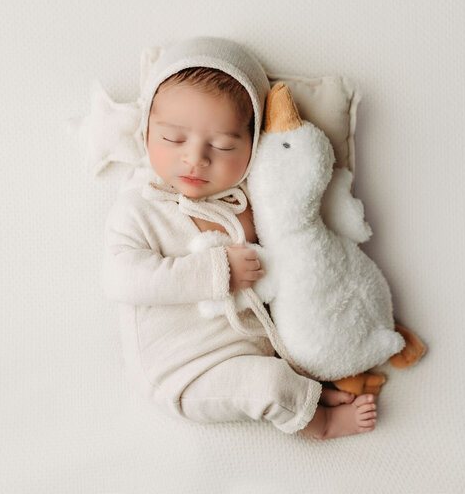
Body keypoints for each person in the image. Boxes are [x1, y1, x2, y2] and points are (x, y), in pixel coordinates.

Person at [102, 36, 377, 439]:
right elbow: (122, 279)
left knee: (280, 371)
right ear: (145, 132)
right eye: (174, 138)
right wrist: (215, 272)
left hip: (255, 349)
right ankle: (321, 424)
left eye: (223, 144)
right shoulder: (138, 209)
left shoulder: (252, 203)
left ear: (252, 147)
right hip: (184, 370)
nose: (195, 157)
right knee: (266, 385)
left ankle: (309, 391)